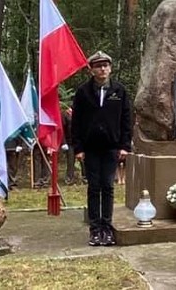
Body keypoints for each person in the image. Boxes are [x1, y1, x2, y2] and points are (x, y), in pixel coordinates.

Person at [72, 51, 132, 247]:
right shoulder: (83, 92)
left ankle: (107, 227)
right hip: (90, 148)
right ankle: (95, 230)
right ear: (91, 69)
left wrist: (124, 145)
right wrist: (78, 148)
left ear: (110, 68)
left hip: (111, 147)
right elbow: (76, 122)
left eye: (106, 65)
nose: (102, 69)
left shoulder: (119, 91)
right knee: (94, 187)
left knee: (108, 187)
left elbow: (126, 120)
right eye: (98, 66)